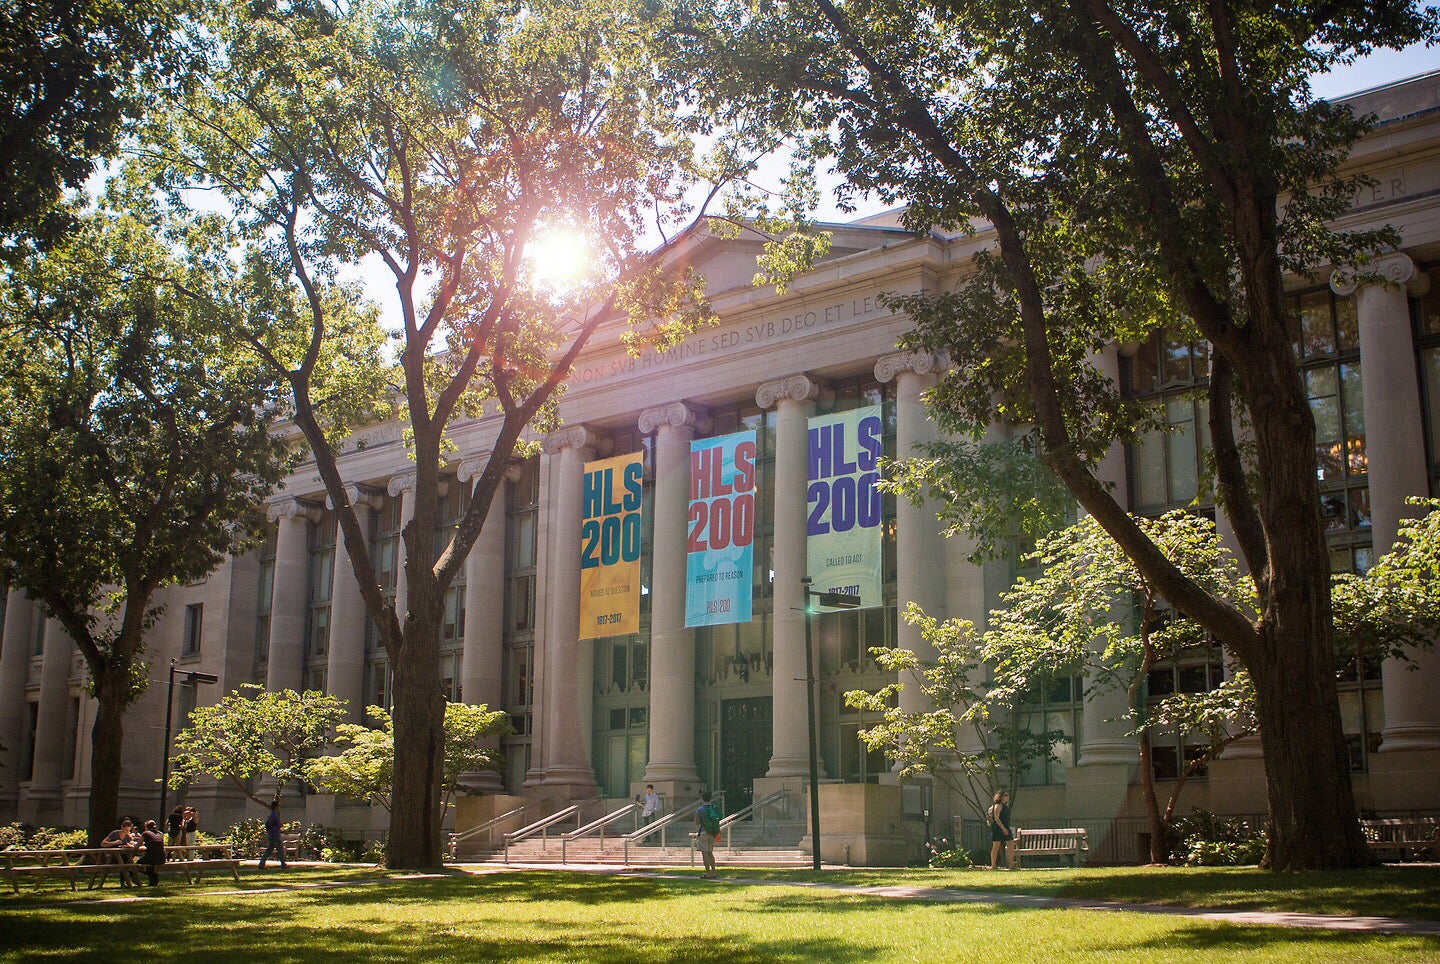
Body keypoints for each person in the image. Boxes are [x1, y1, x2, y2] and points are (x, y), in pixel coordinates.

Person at [101, 818, 141, 887]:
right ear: (122, 827)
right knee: (126, 861)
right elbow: (103, 843)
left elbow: (129, 844)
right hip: (111, 857)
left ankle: (126, 881)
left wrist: (130, 845)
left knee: (126, 860)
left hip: (123, 855)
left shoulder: (128, 836)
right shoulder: (115, 833)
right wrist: (114, 843)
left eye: (128, 830)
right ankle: (132, 877)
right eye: (125, 830)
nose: (127, 832)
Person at [695, 791, 720, 878]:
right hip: (713, 833)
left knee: (704, 853)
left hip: (703, 832)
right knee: (710, 853)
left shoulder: (700, 810)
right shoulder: (714, 808)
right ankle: (714, 872)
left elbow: (697, 822)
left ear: (702, 799)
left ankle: (708, 873)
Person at [988, 790, 1015, 870]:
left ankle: (1011, 865)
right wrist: (1003, 829)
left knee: (1010, 844)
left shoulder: (1005, 806)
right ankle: (993, 865)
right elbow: (996, 818)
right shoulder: (998, 805)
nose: (1007, 797)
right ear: (1001, 796)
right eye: (1005, 795)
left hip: (1006, 826)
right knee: (996, 846)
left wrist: (1006, 828)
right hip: (998, 828)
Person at [259, 799, 288, 869]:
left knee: (269, 850)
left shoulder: (272, 814)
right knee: (280, 849)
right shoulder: (274, 815)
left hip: (271, 835)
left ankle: (261, 864)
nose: (279, 808)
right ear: (276, 807)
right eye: (278, 806)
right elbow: (278, 823)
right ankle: (283, 863)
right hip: (275, 834)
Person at [137, 819, 166, 886]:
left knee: (136, 866)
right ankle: (153, 881)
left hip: (152, 857)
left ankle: (153, 876)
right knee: (151, 866)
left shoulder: (145, 833)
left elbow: (137, 846)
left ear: (146, 827)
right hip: (162, 857)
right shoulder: (160, 833)